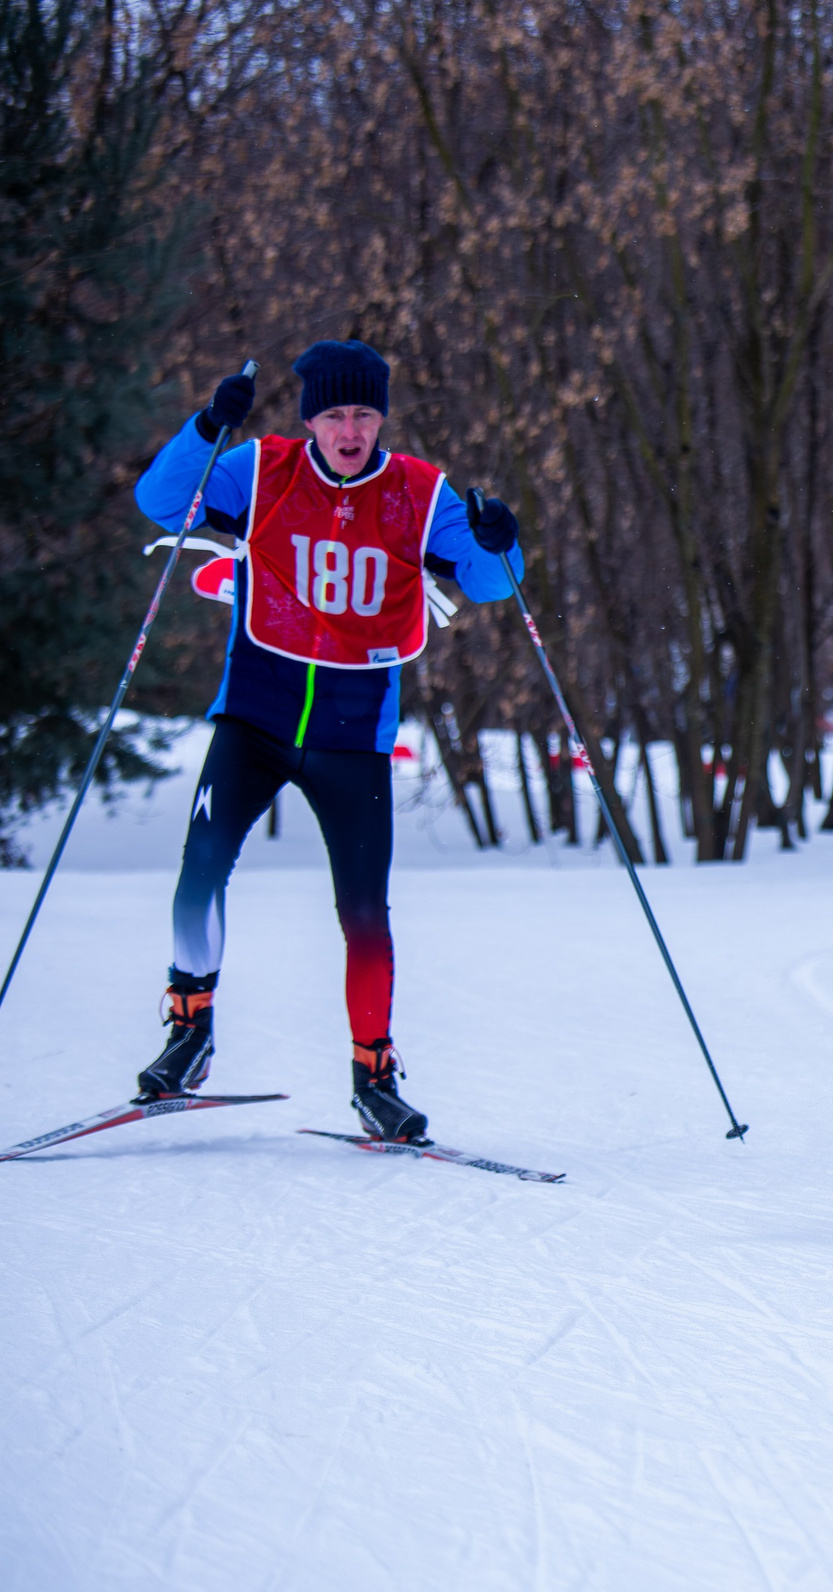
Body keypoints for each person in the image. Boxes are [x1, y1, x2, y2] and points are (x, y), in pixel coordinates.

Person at [131, 341, 522, 1139]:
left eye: (365, 413)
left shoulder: (418, 493)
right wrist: (209, 427)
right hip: (255, 716)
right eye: (336, 413)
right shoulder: (261, 469)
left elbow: (494, 582)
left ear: (381, 417)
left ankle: (373, 1073)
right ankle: (189, 1027)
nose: (351, 429)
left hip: (354, 732)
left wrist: (499, 539)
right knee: (199, 871)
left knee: (364, 914)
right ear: (312, 418)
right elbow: (162, 501)